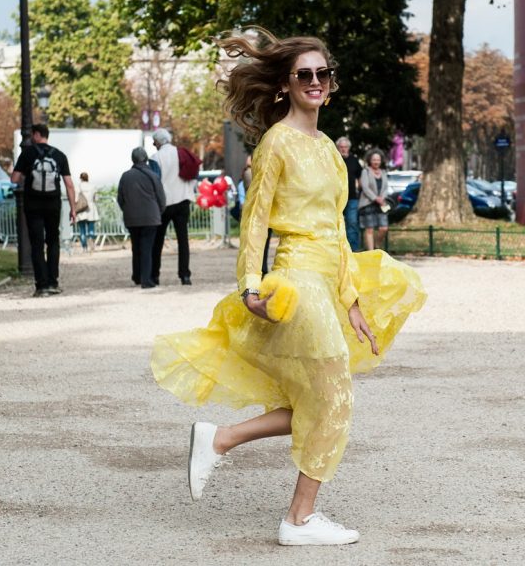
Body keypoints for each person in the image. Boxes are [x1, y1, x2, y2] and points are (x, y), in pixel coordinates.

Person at [150, 28, 426, 546]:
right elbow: (255, 220)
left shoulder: (329, 150)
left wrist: (352, 299)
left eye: (323, 73)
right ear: (285, 84)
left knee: (317, 399)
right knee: (334, 395)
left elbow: (338, 231)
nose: (315, 81)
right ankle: (298, 520)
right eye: (304, 74)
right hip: (295, 277)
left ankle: (221, 439)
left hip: (327, 281)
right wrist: (249, 284)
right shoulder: (276, 142)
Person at [11, 123, 76, 296]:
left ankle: (41, 285)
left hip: (33, 204)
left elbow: (14, 178)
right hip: (53, 204)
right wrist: (73, 208)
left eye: (33, 135)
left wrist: (26, 174)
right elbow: (69, 184)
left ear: (37, 134)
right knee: (53, 241)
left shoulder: (28, 153)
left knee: (37, 244)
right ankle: (53, 282)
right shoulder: (60, 155)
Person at [150, 128, 194, 285]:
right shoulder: (181, 153)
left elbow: (155, 181)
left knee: (158, 240)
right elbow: (192, 174)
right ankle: (185, 275)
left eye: (154, 142)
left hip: (164, 202)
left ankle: (154, 275)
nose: (153, 144)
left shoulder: (155, 157)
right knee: (183, 240)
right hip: (183, 200)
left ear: (158, 142)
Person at [118, 147, 165, 289]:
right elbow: (161, 197)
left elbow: (120, 198)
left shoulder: (125, 176)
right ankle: (146, 279)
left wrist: (127, 210)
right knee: (147, 248)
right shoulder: (153, 175)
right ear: (145, 158)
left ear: (132, 159)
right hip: (150, 217)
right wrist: (159, 212)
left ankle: (137, 276)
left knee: (136, 247)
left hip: (132, 217)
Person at [358, 149, 390, 250]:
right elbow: (365, 187)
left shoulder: (383, 172)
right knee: (369, 230)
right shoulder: (365, 171)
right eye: (374, 160)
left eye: (378, 160)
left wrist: (382, 198)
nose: (376, 162)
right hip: (368, 203)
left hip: (381, 204)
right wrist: (375, 198)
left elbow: (386, 187)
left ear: (381, 161)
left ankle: (377, 246)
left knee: (384, 228)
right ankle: (371, 252)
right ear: (370, 160)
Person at [336, 137, 362, 251]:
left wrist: (360, 191)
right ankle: (338, 249)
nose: (343, 149)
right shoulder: (333, 160)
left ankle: (353, 251)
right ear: (337, 148)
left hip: (352, 198)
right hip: (336, 198)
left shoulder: (354, 160)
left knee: (352, 223)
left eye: (345, 147)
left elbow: (360, 177)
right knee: (336, 224)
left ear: (349, 148)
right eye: (341, 147)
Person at [76, 172, 100, 254]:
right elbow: (96, 199)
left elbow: (76, 199)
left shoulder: (78, 187)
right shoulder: (93, 186)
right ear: (87, 178)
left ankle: (84, 248)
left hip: (81, 209)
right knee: (91, 228)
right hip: (91, 209)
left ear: (80, 178)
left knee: (82, 230)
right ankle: (91, 240)